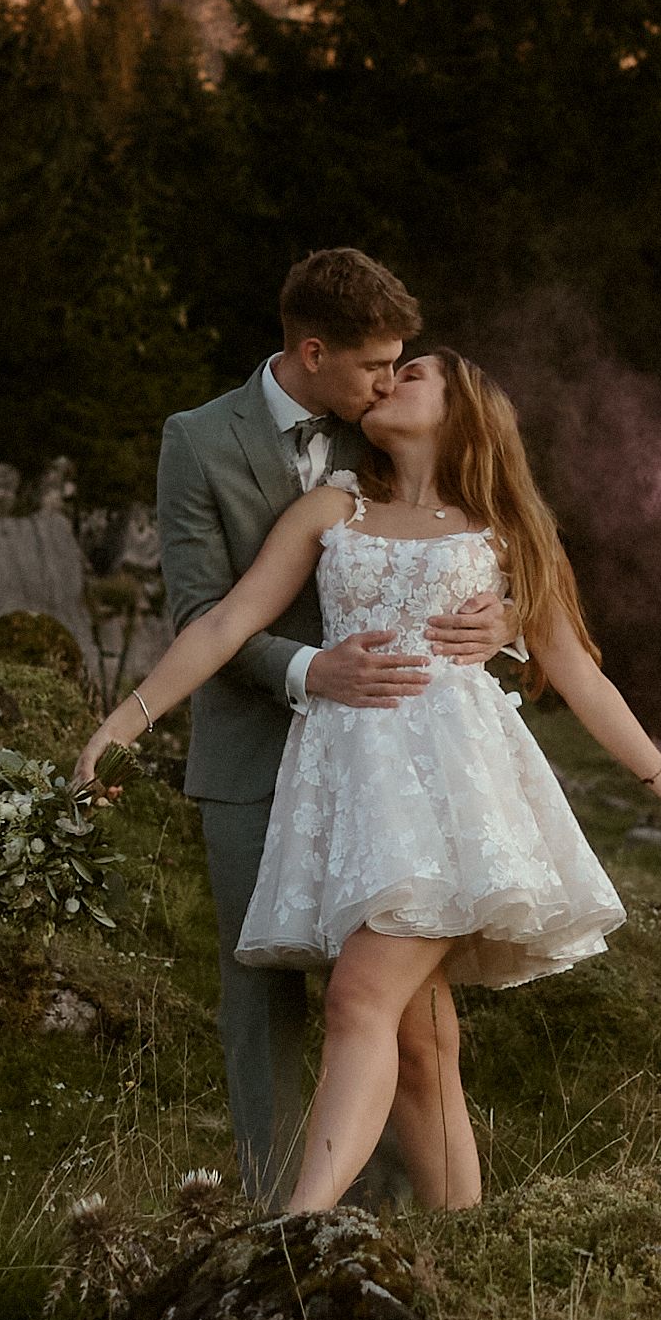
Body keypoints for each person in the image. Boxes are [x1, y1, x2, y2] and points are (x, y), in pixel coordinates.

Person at [86, 342, 661, 1213]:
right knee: (423, 1050)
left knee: (357, 996)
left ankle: (294, 1226)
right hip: (357, 797)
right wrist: (122, 724)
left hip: (455, 798)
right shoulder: (332, 505)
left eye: (413, 373)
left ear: (462, 412)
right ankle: (472, 1241)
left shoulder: (505, 533)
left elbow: (578, 672)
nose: (389, 382)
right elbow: (228, 619)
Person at [154, 250, 512, 1206]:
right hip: (252, 754)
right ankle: (277, 1221)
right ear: (312, 352)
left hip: (388, 760)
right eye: (374, 366)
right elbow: (207, 612)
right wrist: (311, 670)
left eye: (403, 367)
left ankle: (394, 1215)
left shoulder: (381, 439)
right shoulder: (197, 439)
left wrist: (504, 618)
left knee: (400, 1006)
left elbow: (471, 539)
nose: (390, 382)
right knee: (264, 995)